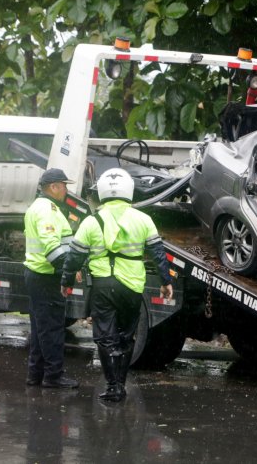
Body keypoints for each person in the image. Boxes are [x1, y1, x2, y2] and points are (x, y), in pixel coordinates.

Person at [60, 168, 174, 402]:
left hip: (103, 286)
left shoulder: (91, 221)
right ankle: (121, 383)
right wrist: (165, 282)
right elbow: (158, 254)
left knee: (105, 336)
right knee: (126, 335)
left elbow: (74, 256)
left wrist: (66, 281)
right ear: (128, 191)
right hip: (132, 286)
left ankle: (113, 386)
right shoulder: (143, 219)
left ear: (102, 192)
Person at [23, 168, 80, 389]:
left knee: (40, 329)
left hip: (37, 274)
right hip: (46, 276)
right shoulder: (47, 210)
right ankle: (53, 376)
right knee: (52, 329)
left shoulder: (40, 207)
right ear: (53, 187)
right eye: (64, 185)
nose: (67, 189)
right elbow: (52, 247)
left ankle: (35, 374)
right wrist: (67, 273)